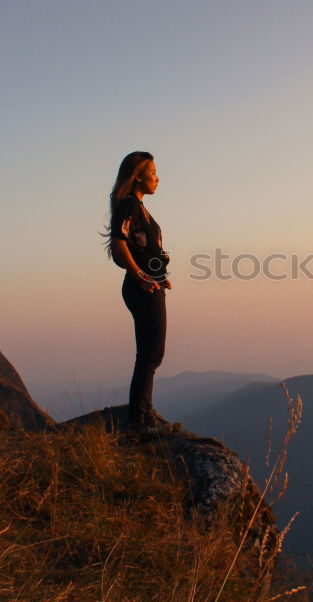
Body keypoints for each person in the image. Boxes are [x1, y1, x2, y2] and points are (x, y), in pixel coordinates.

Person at [105, 151, 173, 433]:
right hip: (142, 288)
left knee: (151, 353)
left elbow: (142, 247)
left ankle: (142, 415)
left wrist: (160, 275)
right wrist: (141, 276)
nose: (157, 178)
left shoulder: (139, 208)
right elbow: (120, 245)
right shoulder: (129, 206)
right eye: (153, 172)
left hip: (149, 285)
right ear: (138, 176)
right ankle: (139, 421)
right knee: (150, 354)